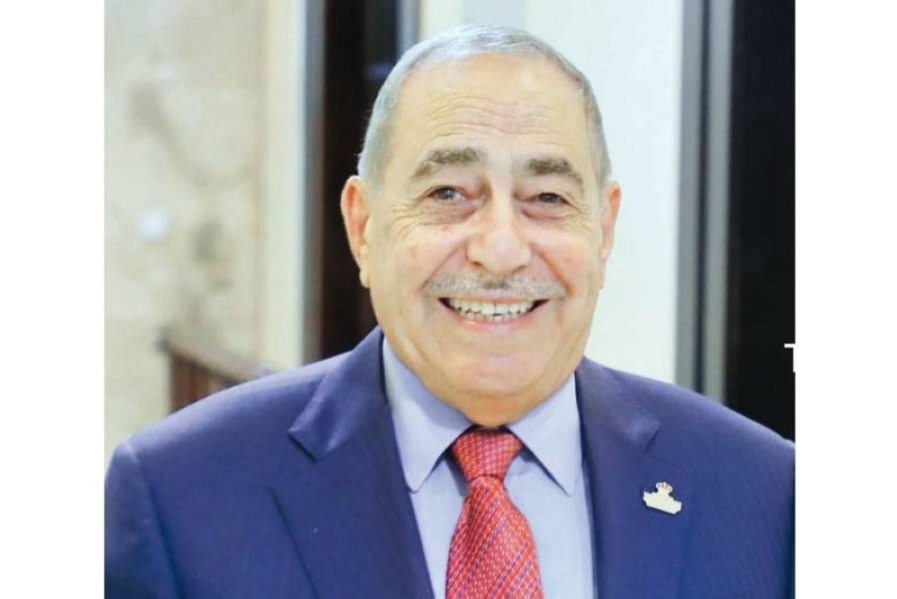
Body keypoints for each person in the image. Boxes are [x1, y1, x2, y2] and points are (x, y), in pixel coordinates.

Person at [106, 25, 794, 598]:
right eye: (447, 194)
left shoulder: (762, 494)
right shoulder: (182, 498)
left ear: (604, 229)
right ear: (363, 226)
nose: (500, 250)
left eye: (547, 198)